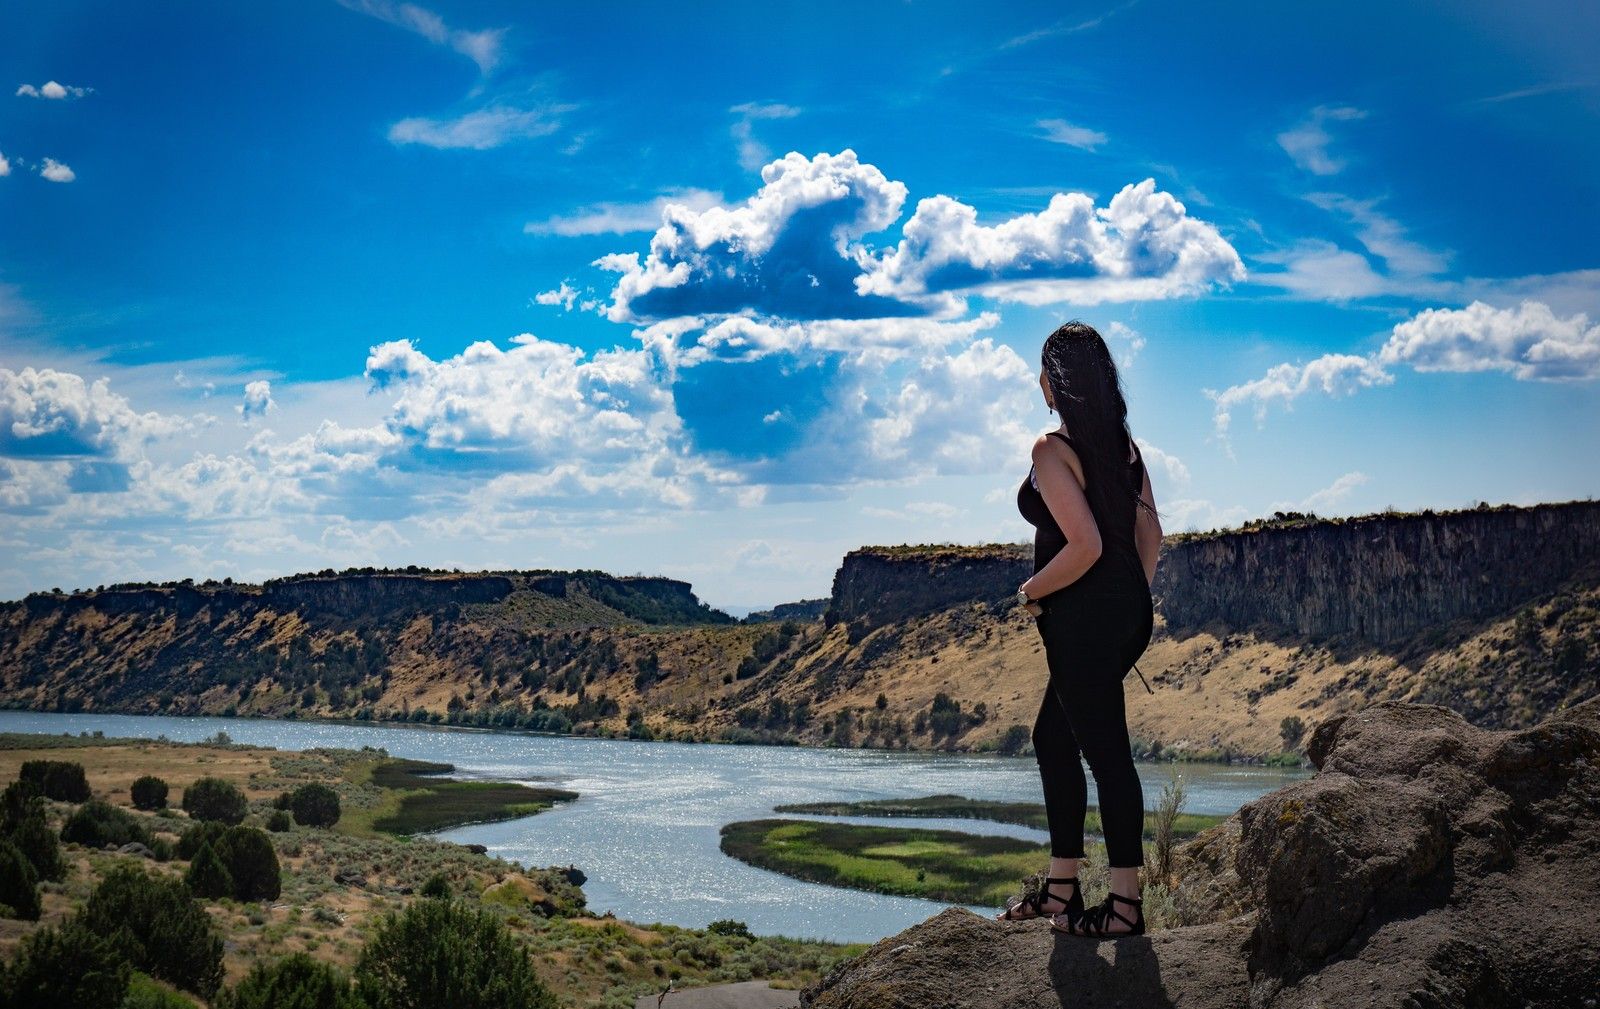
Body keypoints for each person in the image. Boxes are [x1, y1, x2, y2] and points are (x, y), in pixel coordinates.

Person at [995, 320, 1163, 938]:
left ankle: (1123, 909)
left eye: (1042, 372)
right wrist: (1129, 602)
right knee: (1053, 738)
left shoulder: (1050, 451)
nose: (1039, 383)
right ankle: (1061, 890)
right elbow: (1151, 538)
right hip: (1125, 615)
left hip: (1085, 620)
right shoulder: (1125, 449)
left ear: (1054, 383)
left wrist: (1030, 592)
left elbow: (1085, 544)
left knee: (1107, 756)